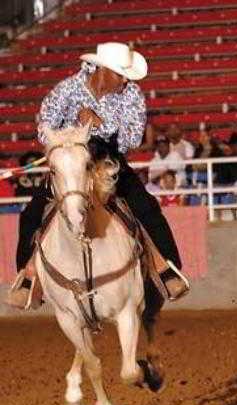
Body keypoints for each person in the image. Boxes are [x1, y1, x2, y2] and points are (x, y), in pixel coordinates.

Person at [6, 42, 188, 309]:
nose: (125, 80)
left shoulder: (132, 94)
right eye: (120, 73)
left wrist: (99, 124)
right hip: (71, 158)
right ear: (102, 70)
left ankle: (168, 269)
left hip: (109, 157)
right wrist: (67, 139)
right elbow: (44, 126)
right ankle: (28, 278)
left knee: (146, 207)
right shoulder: (67, 89)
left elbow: (131, 139)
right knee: (31, 214)